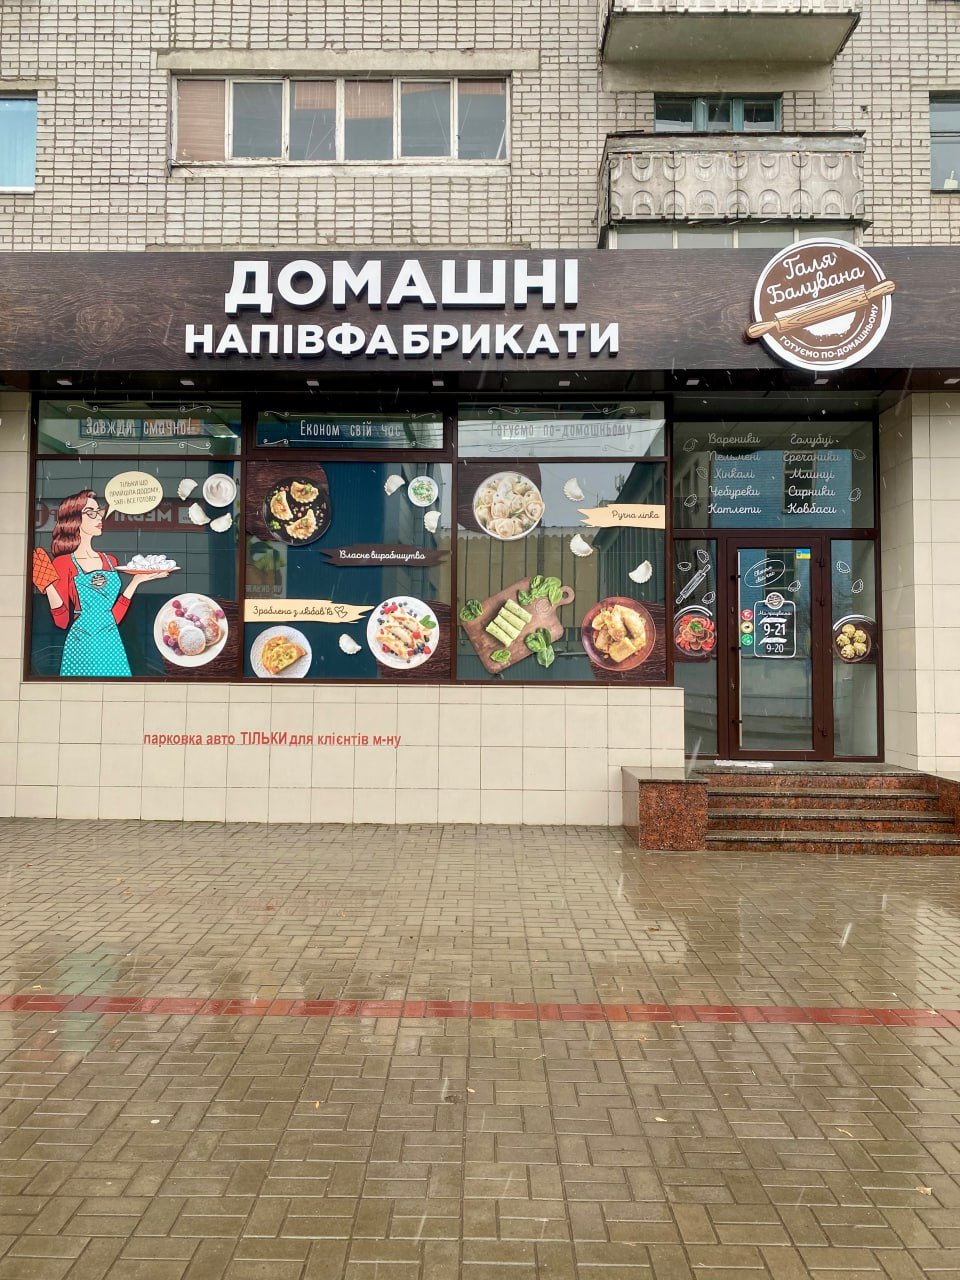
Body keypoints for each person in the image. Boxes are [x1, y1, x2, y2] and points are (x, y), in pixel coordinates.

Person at [39, 489, 170, 677]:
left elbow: (112, 617)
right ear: (74, 519)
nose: (99, 517)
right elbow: (61, 622)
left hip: (111, 641)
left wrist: (135, 582)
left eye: (98, 511)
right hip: (82, 645)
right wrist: (48, 586)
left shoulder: (110, 560)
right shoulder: (64, 563)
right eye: (91, 513)